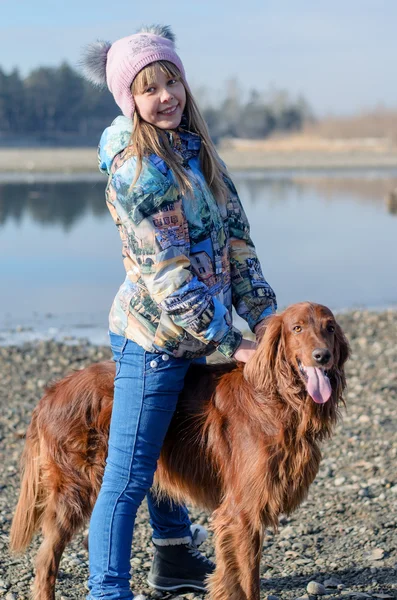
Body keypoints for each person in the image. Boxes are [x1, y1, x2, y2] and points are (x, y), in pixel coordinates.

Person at [80, 24, 277, 600]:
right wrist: (230, 341)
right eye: (149, 89)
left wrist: (263, 320)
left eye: (173, 82)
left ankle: (173, 566)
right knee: (131, 473)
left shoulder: (200, 155)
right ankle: (107, 590)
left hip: (200, 339)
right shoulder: (139, 169)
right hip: (154, 341)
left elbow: (239, 245)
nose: (166, 96)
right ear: (129, 101)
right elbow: (169, 279)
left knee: (179, 457)